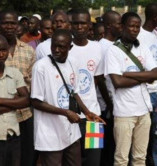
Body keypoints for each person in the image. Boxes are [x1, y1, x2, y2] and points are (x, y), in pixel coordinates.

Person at [31, 29, 104, 166]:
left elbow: (74, 93)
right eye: (54, 46)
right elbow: (35, 102)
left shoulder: (73, 62)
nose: (57, 50)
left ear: (70, 47)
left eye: (62, 47)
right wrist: (65, 112)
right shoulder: (40, 67)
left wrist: (87, 112)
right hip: (50, 133)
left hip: (71, 131)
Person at [105, 11, 157, 166]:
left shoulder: (143, 48)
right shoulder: (113, 51)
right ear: (122, 27)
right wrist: (143, 77)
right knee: (121, 159)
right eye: (131, 26)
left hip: (144, 110)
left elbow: (154, 74)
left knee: (140, 158)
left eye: (137, 26)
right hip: (124, 112)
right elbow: (118, 82)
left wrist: (128, 74)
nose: (135, 29)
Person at [69, 9, 109, 166]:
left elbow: (97, 80)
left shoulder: (98, 48)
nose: (79, 27)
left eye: (83, 23)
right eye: (76, 23)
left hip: (94, 117)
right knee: (73, 161)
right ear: (71, 25)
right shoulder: (64, 47)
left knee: (93, 161)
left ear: (89, 26)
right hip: (70, 117)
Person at [0, 10, 36, 166]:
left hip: (24, 116)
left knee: (26, 159)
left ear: (18, 25)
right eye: (5, 23)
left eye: (12, 23)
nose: (9, 26)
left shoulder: (28, 51)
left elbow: (33, 85)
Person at [0, 34, 30, 166]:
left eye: (4, 50)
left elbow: (27, 101)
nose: (0, 54)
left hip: (13, 135)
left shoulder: (14, 73)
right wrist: (15, 103)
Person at [137, 3, 157, 165]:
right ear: (155, 17)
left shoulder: (156, 34)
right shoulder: (138, 35)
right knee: (142, 133)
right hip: (144, 92)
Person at [99, 10, 122, 166]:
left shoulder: (118, 45)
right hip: (102, 108)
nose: (121, 26)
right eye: (118, 23)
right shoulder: (100, 46)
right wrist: (110, 104)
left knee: (113, 148)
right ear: (108, 25)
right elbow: (100, 79)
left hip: (116, 105)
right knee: (101, 150)